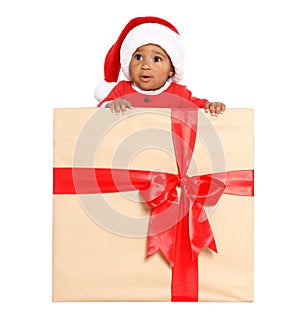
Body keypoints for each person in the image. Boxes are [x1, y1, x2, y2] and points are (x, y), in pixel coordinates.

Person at [94, 16, 226, 116]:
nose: (145, 65)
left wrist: (211, 106)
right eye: (138, 57)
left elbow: (198, 107)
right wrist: (111, 105)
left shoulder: (178, 93)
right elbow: (97, 110)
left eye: (156, 59)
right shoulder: (121, 90)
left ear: (171, 69)